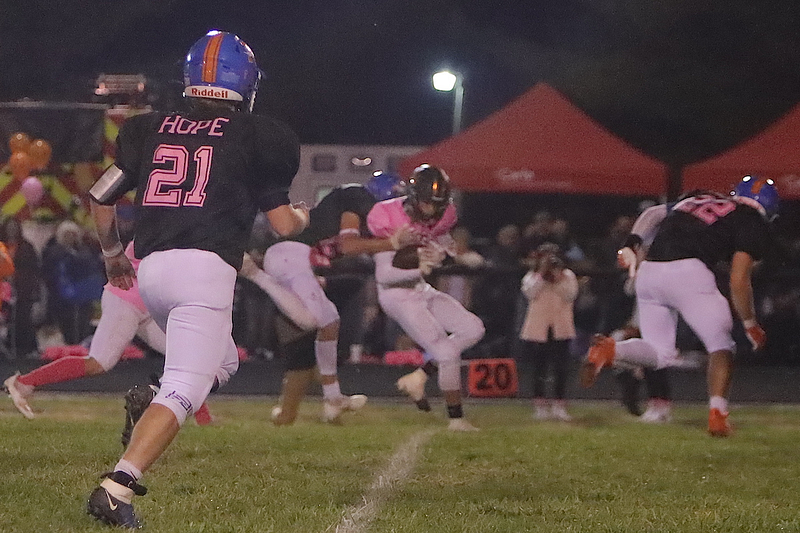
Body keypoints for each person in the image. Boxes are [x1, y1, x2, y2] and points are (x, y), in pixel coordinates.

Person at [84, 30, 309, 528]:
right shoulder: (259, 135)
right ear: (245, 82)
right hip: (203, 270)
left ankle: (153, 398)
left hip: (153, 272)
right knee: (187, 386)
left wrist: (113, 253)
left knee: (222, 361)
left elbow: (100, 197)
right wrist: (302, 216)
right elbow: (282, 224)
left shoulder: (148, 128)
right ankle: (118, 487)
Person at [580, 176, 778, 437]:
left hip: (649, 272)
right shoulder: (751, 218)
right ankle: (717, 415)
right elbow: (739, 279)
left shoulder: (700, 198)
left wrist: (631, 243)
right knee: (722, 346)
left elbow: (652, 213)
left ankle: (610, 350)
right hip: (689, 272)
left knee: (660, 353)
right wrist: (750, 323)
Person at [2, 241, 214, 426]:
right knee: (98, 362)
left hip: (145, 303)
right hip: (127, 299)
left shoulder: (167, 230)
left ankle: (203, 420)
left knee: (187, 358)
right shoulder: (159, 232)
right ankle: (23, 383)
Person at [261, 170, 414, 425]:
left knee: (328, 320)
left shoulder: (364, 212)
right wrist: (392, 243)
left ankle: (331, 399)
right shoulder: (357, 198)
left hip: (295, 260)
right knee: (317, 325)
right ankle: (256, 276)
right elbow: (348, 245)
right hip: (291, 256)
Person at [367, 164, 485, 432]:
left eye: (437, 204)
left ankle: (419, 377)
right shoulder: (387, 215)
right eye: (426, 203)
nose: (431, 211)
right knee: (446, 352)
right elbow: (384, 275)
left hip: (420, 287)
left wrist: (445, 250)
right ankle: (456, 419)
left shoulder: (445, 214)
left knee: (473, 328)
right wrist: (421, 267)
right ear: (412, 197)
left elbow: (439, 236)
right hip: (396, 294)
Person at [518, 243, 579, 421]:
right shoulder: (531, 276)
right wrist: (542, 275)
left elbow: (570, 295)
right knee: (539, 367)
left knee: (561, 367)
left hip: (561, 327)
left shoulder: (568, 276)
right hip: (539, 328)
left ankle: (559, 405)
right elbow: (530, 293)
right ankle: (540, 405)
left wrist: (557, 279)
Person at [0, 218, 41, 358]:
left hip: (23, 289)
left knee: (23, 317)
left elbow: (33, 268)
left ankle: (26, 348)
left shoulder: (26, 247)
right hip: (3, 289)